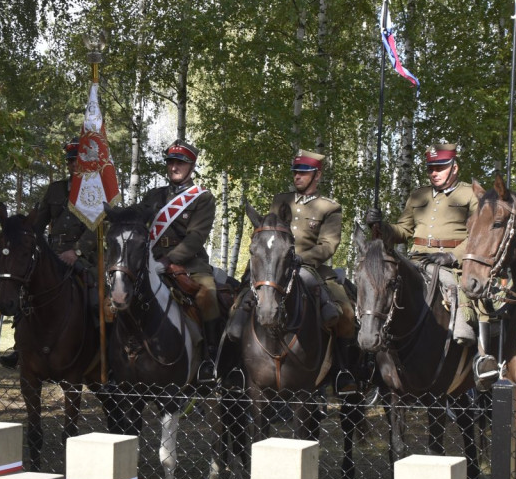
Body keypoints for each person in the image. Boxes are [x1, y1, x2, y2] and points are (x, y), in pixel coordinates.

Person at [225, 148, 356, 392]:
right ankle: (235, 369)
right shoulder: (280, 200)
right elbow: (267, 238)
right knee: (239, 304)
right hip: (274, 268)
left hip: (311, 267)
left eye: (303, 172)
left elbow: (328, 246)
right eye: (295, 172)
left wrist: (297, 258)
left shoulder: (329, 207)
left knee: (345, 310)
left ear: (316, 175)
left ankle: (343, 372)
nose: (297, 176)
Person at [364, 142, 491, 384]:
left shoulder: (471, 194)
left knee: (475, 295)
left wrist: (453, 256)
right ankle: (373, 359)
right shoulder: (418, 196)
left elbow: (480, 235)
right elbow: (403, 230)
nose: (434, 172)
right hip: (417, 260)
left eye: (440, 167)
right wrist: (381, 226)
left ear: (455, 167)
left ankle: (483, 358)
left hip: (452, 263)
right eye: (431, 167)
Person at [0, 139, 98, 369]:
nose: (74, 165)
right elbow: (39, 222)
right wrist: (21, 235)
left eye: (78, 161)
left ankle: (102, 348)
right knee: (26, 289)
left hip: (83, 256)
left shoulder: (94, 191)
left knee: (96, 295)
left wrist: (76, 252)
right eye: (70, 161)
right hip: (52, 255)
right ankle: (20, 347)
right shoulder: (55, 189)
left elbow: (97, 227)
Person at [131, 138, 221, 381]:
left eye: (180, 163)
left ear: (191, 166)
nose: (174, 167)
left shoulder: (202, 198)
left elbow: (196, 237)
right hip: (150, 261)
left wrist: (168, 260)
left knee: (208, 295)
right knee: (118, 294)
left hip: (189, 264)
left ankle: (210, 359)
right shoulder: (154, 196)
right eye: (171, 162)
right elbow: (138, 226)